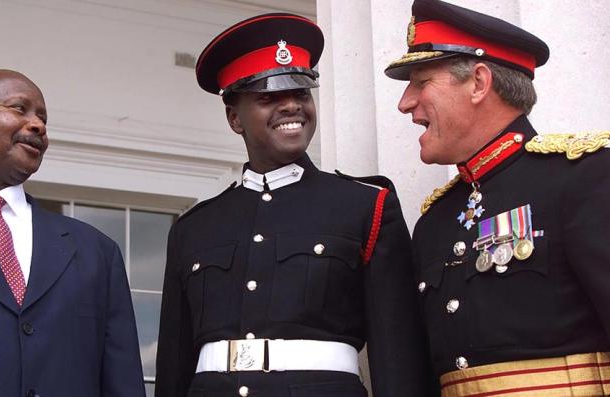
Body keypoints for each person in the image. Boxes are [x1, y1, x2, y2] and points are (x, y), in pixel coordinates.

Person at [156, 13, 434, 397]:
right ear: (235, 118)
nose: (292, 107)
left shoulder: (365, 207)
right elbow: (174, 365)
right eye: (269, 97)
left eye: (301, 93)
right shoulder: (194, 229)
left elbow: (399, 356)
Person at [385, 0, 610, 396]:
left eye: (421, 82)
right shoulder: (435, 221)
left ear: (478, 83)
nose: (406, 103)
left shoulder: (585, 177)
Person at [0, 69, 145, 397]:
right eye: (19, 109)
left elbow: (123, 384)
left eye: (43, 117)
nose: (38, 125)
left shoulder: (95, 252)